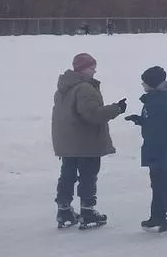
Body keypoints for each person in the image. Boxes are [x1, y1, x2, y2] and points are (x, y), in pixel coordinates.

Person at [52, 53, 125, 229]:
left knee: (67, 175)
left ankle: (64, 210)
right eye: (92, 68)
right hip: (85, 141)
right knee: (88, 176)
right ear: (83, 69)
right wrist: (117, 109)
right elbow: (92, 114)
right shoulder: (84, 88)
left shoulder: (63, 88)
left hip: (67, 141)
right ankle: (87, 211)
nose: (95, 71)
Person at [124, 66, 167, 233]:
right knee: (157, 182)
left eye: (145, 82)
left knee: (164, 181)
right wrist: (140, 120)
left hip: (162, 146)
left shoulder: (161, 101)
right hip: (155, 144)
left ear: (153, 84)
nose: (142, 85)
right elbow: (154, 122)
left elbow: (164, 126)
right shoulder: (156, 99)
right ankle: (157, 215)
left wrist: (147, 124)